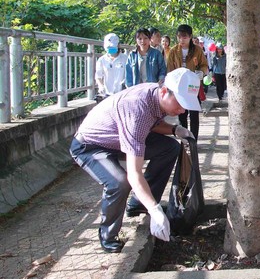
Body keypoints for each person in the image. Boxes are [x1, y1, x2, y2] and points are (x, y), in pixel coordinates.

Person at [69, 68, 200, 253]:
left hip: (119, 139)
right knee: (119, 182)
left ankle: (139, 203)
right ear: (164, 92)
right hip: (92, 146)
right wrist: (155, 210)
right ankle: (108, 235)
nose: (182, 109)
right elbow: (134, 173)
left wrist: (174, 130)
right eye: (179, 103)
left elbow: (153, 124)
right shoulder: (137, 110)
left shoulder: (156, 97)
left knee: (170, 148)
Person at [166, 24, 209, 140]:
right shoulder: (173, 51)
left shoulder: (197, 50)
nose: (182, 40)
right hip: (179, 88)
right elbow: (169, 70)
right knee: (182, 114)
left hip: (192, 86)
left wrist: (201, 72)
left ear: (190, 37)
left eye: (184, 37)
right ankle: (185, 139)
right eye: (179, 37)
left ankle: (194, 139)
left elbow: (205, 65)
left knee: (194, 114)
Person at [95, 33, 127, 97]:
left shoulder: (125, 58)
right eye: (108, 47)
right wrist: (101, 86)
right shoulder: (102, 60)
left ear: (118, 45)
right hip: (107, 93)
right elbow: (98, 76)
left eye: (112, 47)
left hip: (122, 93)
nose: (110, 49)